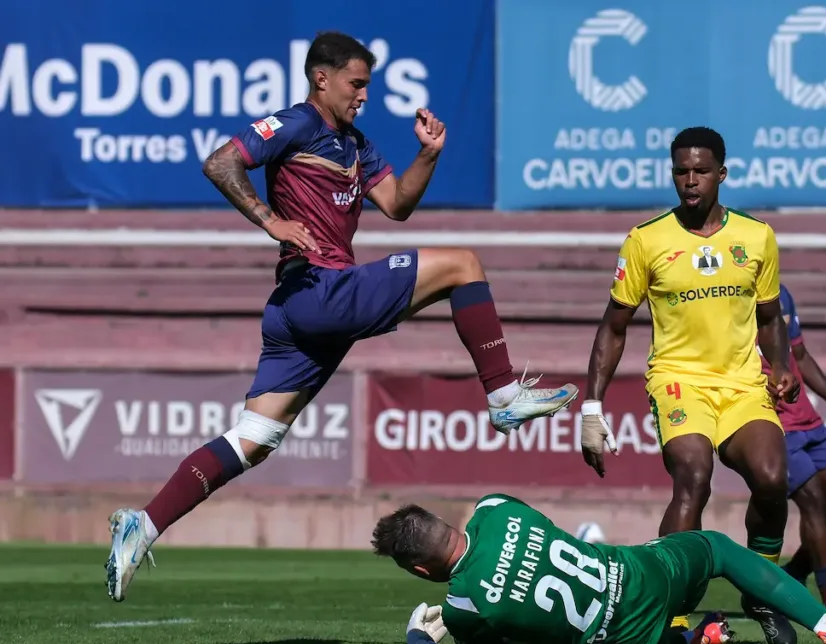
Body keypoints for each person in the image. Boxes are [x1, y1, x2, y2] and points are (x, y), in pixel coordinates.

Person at [103, 31, 578, 602]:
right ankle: (502, 395)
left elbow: (398, 204)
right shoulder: (298, 124)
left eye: (368, 86)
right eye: (356, 84)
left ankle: (144, 524)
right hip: (318, 291)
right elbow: (221, 162)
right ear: (321, 78)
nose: (363, 96)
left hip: (298, 311)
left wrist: (428, 155)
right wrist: (268, 219)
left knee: (252, 438)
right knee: (464, 264)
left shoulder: (355, 143)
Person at [579, 126, 801, 644]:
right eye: (681, 171)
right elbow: (613, 326)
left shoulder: (756, 236)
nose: (691, 181)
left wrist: (781, 363)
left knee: (771, 480)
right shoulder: (646, 240)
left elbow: (770, 318)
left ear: (722, 174)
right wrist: (592, 407)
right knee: (694, 477)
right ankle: (671, 611)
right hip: (679, 382)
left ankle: (761, 589)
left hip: (743, 383)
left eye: (701, 171)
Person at [371, 494, 826, 644]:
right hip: (643, 575)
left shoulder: (464, 606)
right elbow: (526, 541)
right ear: (444, 522)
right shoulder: (493, 507)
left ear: (420, 571)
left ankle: (681, 642)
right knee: (716, 547)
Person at [758, 284, 826, 620]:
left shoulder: (782, 294)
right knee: (813, 501)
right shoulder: (731, 297)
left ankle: (794, 573)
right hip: (775, 425)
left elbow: (799, 356)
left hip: (809, 422)